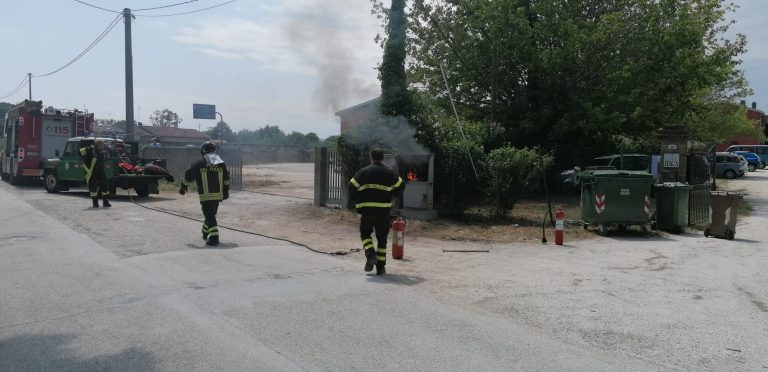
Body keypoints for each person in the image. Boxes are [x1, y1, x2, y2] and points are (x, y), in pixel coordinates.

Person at [348, 149, 405, 275]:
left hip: (367, 210)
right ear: (382, 158)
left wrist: (356, 199)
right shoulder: (389, 172)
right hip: (383, 211)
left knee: (365, 234)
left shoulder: (363, 172)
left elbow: (351, 186)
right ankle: (380, 267)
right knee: (382, 238)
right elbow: (401, 185)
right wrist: (393, 193)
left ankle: (370, 255)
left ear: (371, 157)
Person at [180, 142, 230, 246]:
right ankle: (205, 231)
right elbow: (226, 178)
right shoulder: (221, 162)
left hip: (206, 195)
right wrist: (226, 191)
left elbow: (189, 175)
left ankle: (214, 238)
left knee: (210, 215)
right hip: (217, 195)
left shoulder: (199, 162)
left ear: (203, 150)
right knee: (211, 215)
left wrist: (183, 186)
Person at [79, 139, 111, 208]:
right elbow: (80, 152)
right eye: (100, 144)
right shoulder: (91, 151)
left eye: (102, 144)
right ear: (96, 145)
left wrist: (107, 147)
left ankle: (105, 202)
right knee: (93, 187)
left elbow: (109, 153)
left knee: (105, 185)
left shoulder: (102, 152)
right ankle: (95, 202)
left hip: (101, 171)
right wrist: (89, 147)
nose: (101, 146)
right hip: (93, 171)